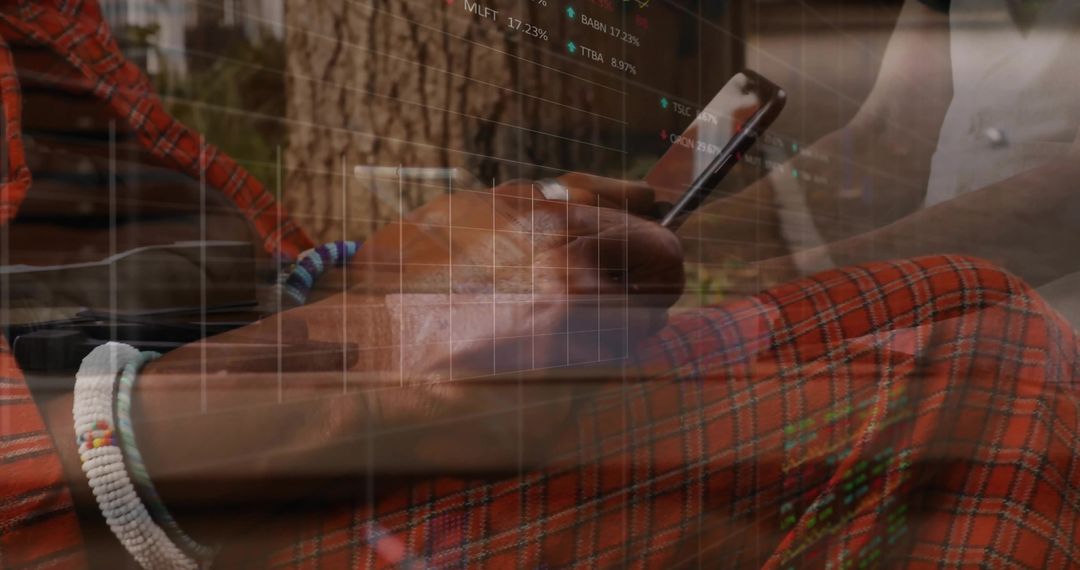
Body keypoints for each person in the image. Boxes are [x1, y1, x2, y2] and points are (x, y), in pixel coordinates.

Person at [1, 2, 1079, 569]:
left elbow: (163, 201)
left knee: (943, 312)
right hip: (130, 490)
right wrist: (360, 369)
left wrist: (356, 278)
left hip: (192, 394)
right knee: (981, 366)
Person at [690, 0, 1080, 326]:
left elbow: (1065, 208)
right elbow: (888, 137)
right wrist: (686, 240)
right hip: (934, 316)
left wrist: (797, 277)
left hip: (1062, 338)